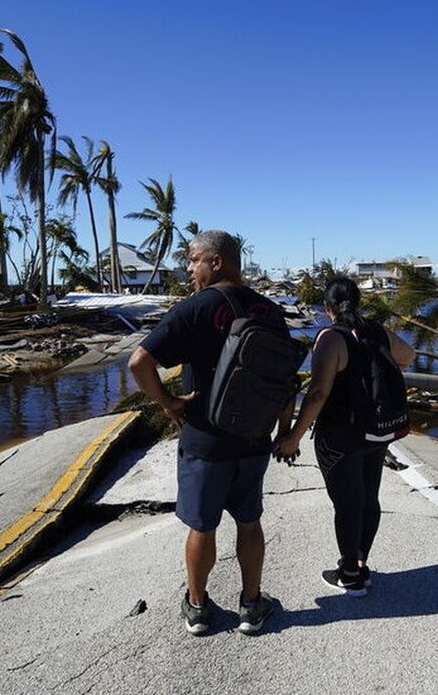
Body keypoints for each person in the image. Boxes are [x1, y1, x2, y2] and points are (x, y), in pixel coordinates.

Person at [128, 230, 293, 635]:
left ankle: (199, 608)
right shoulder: (269, 310)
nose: (188, 268)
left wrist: (168, 403)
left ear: (215, 262)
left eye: (192, 259)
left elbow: (138, 363)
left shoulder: (195, 308)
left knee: (202, 526)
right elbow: (285, 379)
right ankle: (252, 607)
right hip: (254, 438)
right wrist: (285, 430)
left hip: (205, 439)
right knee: (250, 523)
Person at [274, 276, 413, 596]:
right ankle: (361, 561)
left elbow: (318, 393)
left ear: (327, 308)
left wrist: (293, 437)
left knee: (347, 503)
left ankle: (350, 574)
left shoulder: (330, 338)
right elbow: (408, 355)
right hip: (376, 430)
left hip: (340, 434)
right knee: (368, 497)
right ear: (358, 302)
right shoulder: (377, 332)